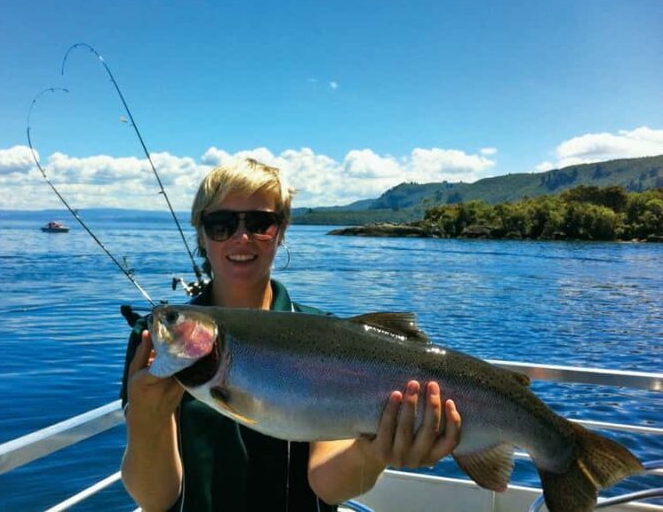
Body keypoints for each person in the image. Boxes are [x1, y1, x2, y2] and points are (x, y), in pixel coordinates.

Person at [120, 158, 462, 511]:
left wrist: (375, 452)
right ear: (201, 234)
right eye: (220, 224)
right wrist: (148, 420)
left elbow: (328, 486)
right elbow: (154, 498)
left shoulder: (328, 337)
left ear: (281, 232)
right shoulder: (153, 343)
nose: (241, 237)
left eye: (260, 223)